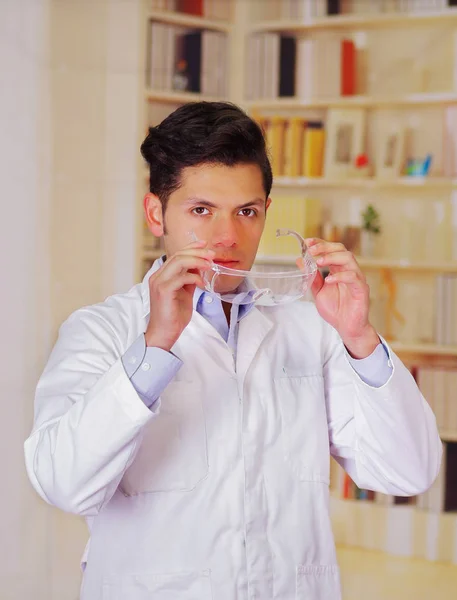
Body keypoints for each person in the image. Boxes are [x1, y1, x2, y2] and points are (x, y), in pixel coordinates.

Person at [24, 102, 442, 600]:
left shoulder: (311, 329)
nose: (227, 237)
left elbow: (409, 471)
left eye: (247, 212)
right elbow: (63, 483)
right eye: (202, 210)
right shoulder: (102, 331)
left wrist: (359, 336)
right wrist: (155, 346)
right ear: (156, 213)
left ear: (267, 210)